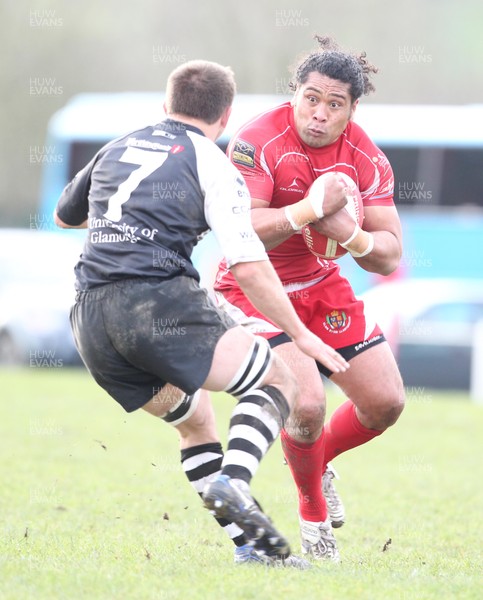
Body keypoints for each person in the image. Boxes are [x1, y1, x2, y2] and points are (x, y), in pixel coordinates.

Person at [53, 59, 350, 568]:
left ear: (165, 104)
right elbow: (250, 267)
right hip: (157, 303)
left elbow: (65, 216)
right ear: (226, 114)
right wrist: (301, 335)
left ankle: (254, 548)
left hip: (90, 319)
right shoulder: (214, 163)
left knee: (195, 424)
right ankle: (234, 481)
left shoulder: (116, 145)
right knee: (279, 383)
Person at [209, 36, 406, 562]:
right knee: (310, 404)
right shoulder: (256, 141)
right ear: (294, 93)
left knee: (387, 403)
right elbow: (241, 235)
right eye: (311, 99)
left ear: (352, 109)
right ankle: (313, 511)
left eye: (334, 104)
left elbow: (388, 256)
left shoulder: (366, 156)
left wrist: (353, 235)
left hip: (321, 283)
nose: (319, 114)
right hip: (252, 284)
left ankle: (314, 462)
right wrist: (305, 210)